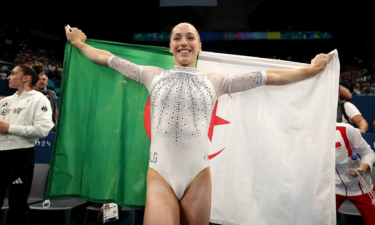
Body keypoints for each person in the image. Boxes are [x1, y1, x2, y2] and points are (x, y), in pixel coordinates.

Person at [64, 23, 334, 225]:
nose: (184, 41)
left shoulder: (215, 81)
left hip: (199, 178)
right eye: (177, 37)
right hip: (160, 176)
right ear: (169, 47)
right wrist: (79, 44)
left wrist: (311, 70)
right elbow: (108, 59)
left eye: (190, 37)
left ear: (199, 46)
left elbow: (268, 76)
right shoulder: (151, 75)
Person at [0, 64, 54, 224]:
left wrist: (10, 128)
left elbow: (43, 130)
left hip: (20, 157)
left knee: (17, 205)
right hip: (0, 155)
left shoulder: (39, 99)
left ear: (26, 78)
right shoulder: (5, 101)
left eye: (13, 73)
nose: (9, 76)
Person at [335, 122, 375, 224]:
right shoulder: (305, 137)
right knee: (317, 220)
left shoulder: (346, 129)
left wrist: (363, 167)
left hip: (361, 187)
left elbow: (368, 152)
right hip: (332, 189)